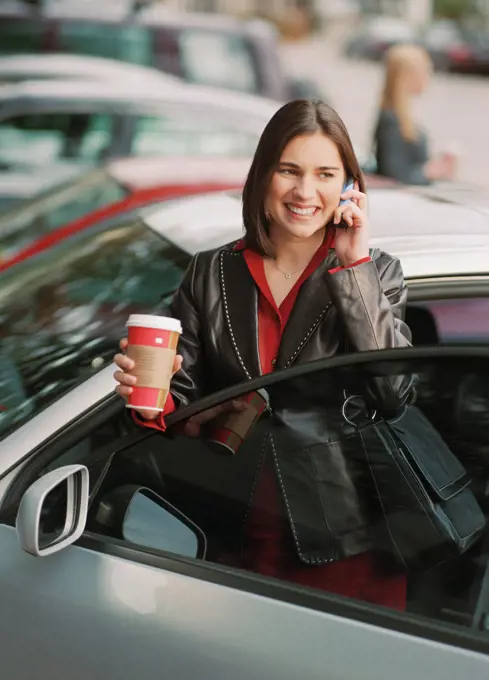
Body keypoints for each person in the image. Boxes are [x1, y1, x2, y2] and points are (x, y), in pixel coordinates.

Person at [113, 99, 414, 610]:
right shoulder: (212, 272)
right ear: (263, 176)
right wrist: (143, 394)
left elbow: (393, 394)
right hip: (226, 527)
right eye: (289, 170)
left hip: (344, 540)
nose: (304, 192)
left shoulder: (374, 272)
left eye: (325, 174)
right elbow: (178, 400)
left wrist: (352, 264)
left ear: (348, 187)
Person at [374, 43, 457, 185]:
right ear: (409, 76)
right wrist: (431, 171)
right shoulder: (392, 121)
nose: (428, 76)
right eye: (425, 71)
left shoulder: (401, 117)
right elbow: (396, 176)